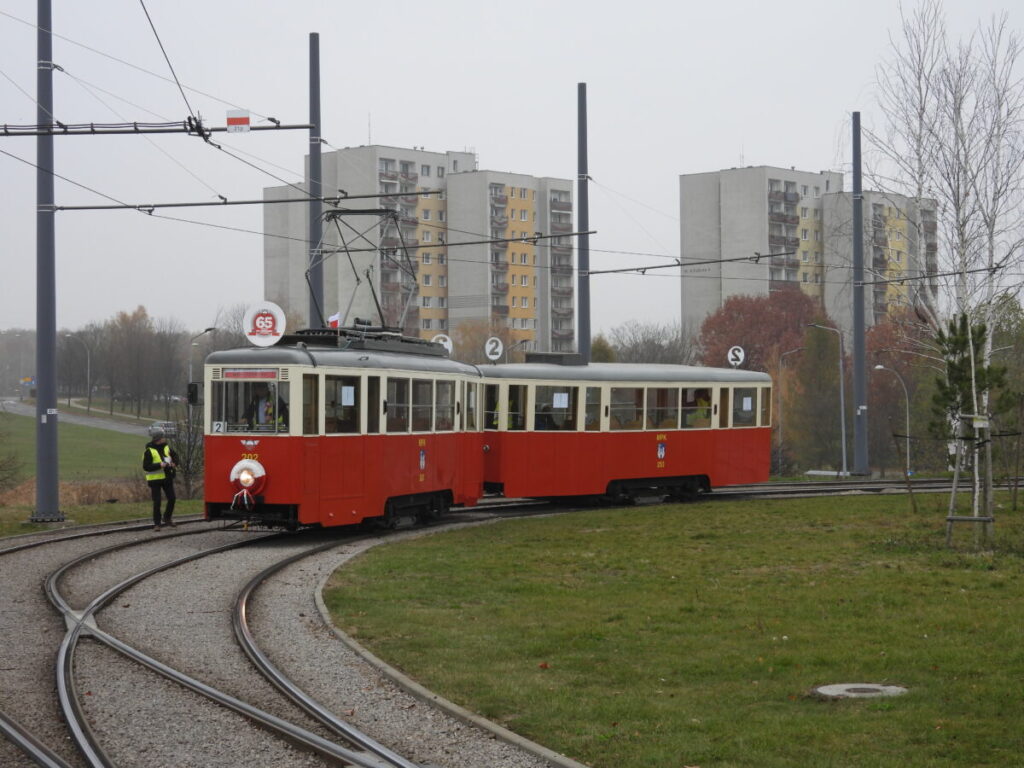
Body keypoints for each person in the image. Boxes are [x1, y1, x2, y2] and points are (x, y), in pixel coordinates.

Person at [142, 427, 178, 529]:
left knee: (172, 499)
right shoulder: (149, 451)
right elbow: (146, 466)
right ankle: (157, 524)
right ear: (158, 438)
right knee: (157, 502)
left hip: (167, 478)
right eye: (163, 437)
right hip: (155, 480)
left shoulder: (167, 447)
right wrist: (159, 465)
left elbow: (175, 456)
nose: (164, 439)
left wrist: (175, 463)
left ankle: (167, 517)